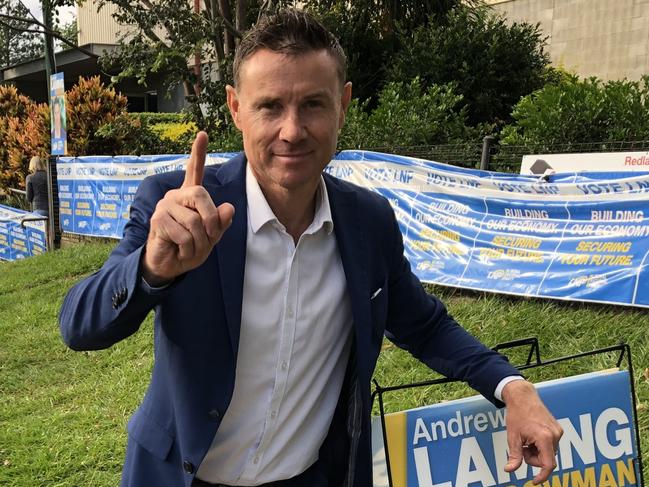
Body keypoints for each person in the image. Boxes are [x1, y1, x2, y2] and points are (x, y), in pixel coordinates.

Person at [59, 9, 562, 487]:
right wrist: (152, 268)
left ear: (342, 104)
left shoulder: (368, 222)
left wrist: (512, 388)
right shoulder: (179, 207)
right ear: (236, 108)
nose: (292, 130)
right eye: (270, 106)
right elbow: (79, 326)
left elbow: (425, 326)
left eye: (313, 105)